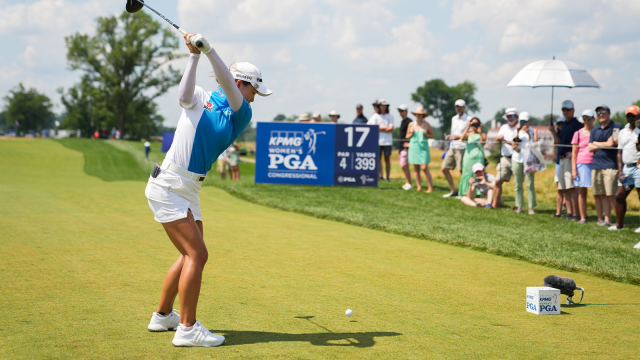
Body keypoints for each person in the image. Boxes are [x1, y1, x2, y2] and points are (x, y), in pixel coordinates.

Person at [144, 32, 271, 347]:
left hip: (189, 189)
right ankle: (187, 329)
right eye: (254, 88)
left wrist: (210, 50)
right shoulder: (201, 97)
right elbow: (183, 97)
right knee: (197, 254)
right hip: (170, 184)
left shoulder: (241, 114)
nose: (255, 96)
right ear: (244, 82)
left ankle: (163, 316)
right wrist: (195, 55)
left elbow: (229, 87)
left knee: (190, 254)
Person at [588, 104, 621, 226]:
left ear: (609, 113)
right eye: (598, 113)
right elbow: (589, 148)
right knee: (599, 194)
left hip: (611, 165)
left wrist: (596, 143)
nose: (601, 115)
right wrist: (603, 143)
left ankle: (618, 221)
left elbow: (613, 143)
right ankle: (603, 220)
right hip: (596, 165)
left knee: (611, 194)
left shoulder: (617, 126)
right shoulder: (595, 129)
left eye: (603, 112)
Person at [549, 100, 583, 220]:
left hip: (569, 159)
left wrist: (574, 152)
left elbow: (582, 140)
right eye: (564, 110)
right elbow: (558, 143)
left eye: (568, 110)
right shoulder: (565, 124)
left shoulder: (577, 125)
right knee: (565, 188)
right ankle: (569, 212)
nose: (566, 112)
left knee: (571, 187)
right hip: (561, 158)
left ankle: (576, 213)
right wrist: (553, 131)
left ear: (573, 111)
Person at [610, 105, 640, 231]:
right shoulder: (622, 132)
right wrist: (620, 170)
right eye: (628, 115)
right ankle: (619, 225)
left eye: (633, 115)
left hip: (639, 168)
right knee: (620, 195)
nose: (631, 118)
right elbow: (619, 152)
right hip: (626, 170)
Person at [571, 109, 595, 223]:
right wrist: (573, 170)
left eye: (589, 118)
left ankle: (603, 217)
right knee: (582, 192)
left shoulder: (596, 131)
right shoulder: (578, 133)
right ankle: (583, 217)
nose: (586, 120)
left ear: (593, 119)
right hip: (581, 164)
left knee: (598, 192)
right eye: (584, 118)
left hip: (596, 163)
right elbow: (574, 154)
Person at [442, 99, 470, 198]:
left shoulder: (468, 119)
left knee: (462, 171)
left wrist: (460, 136)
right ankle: (453, 190)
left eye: (460, 106)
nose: (458, 108)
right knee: (444, 168)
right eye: (457, 106)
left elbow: (470, 133)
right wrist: (450, 136)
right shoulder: (454, 118)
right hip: (452, 146)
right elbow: (454, 133)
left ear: (464, 107)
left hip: (462, 147)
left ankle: (464, 192)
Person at [492, 108, 519, 209]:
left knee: (518, 183)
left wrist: (506, 140)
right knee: (498, 181)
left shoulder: (520, 127)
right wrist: (499, 138)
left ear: (516, 117)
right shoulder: (503, 127)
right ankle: (495, 204)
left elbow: (516, 144)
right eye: (508, 116)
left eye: (512, 116)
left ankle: (518, 205)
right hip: (505, 158)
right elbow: (498, 137)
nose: (510, 118)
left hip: (517, 158)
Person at [511, 111, 538, 214]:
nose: (524, 124)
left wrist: (528, 133)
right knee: (518, 184)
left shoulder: (533, 130)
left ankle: (531, 207)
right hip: (517, 159)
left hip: (529, 160)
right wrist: (518, 132)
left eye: (525, 121)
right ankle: (519, 206)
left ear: (529, 121)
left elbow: (534, 144)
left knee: (530, 184)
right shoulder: (516, 131)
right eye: (522, 121)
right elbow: (514, 145)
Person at [406, 106, 434, 192]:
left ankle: (430, 186)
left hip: (423, 148)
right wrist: (411, 133)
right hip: (414, 147)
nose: (419, 115)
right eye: (417, 114)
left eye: (420, 114)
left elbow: (432, 135)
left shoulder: (426, 124)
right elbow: (407, 136)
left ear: (423, 115)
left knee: (425, 167)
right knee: (416, 168)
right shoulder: (411, 124)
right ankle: (419, 186)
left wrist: (426, 134)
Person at [458, 117, 486, 198]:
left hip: (478, 157)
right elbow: (462, 139)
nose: (474, 125)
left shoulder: (483, 134)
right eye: (473, 123)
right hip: (468, 158)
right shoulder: (468, 134)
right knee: (467, 173)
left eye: (476, 124)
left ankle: (479, 192)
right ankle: (465, 192)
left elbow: (483, 144)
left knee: (479, 174)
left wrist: (480, 132)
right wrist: (468, 127)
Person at [368, 99, 394, 182]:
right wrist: (385, 128)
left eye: (384, 105)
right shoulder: (375, 116)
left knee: (387, 160)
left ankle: (387, 177)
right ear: (379, 106)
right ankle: (379, 176)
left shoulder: (390, 116)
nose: (383, 107)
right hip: (378, 141)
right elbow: (373, 127)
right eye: (381, 105)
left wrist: (379, 128)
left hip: (388, 142)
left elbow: (391, 128)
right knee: (378, 159)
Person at [397, 104, 413, 190]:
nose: (400, 112)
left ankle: (409, 183)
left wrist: (408, 143)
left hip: (405, 147)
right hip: (401, 146)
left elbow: (411, 134)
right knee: (404, 165)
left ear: (406, 111)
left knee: (404, 165)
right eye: (399, 111)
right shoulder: (402, 121)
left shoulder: (409, 121)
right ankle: (407, 182)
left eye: (402, 111)